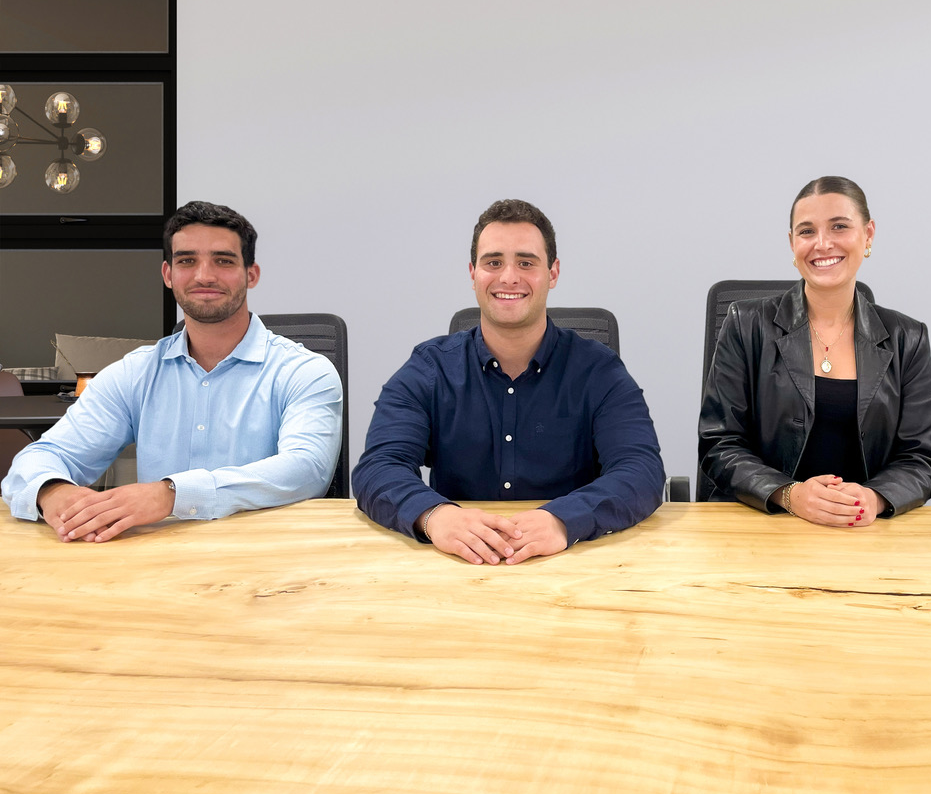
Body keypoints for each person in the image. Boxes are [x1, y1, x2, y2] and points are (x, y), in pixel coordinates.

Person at [2, 201, 344, 543]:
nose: (204, 275)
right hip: (160, 561)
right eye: (187, 261)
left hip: (272, 561)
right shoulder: (135, 373)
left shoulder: (306, 372)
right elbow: (43, 457)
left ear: (250, 274)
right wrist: (53, 491)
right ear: (168, 274)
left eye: (223, 261)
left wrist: (172, 494)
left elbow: (307, 470)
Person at [352, 199, 664, 565]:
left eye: (527, 262)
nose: (509, 277)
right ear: (473, 273)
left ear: (554, 272)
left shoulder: (599, 371)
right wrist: (435, 516)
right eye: (493, 262)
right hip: (456, 563)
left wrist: (564, 520)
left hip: (572, 560)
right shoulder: (430, 368)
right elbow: (378, 466)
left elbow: (640, 471)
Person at [699, 176, 931, 525]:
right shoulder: (746, 324)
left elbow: (921, 458)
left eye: (839, 226)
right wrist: (788, 493)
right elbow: (719, 444)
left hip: (865, 530)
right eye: (807, 231)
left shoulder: (907, 337)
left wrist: (873, 498)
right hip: (763, 528)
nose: (822, 244)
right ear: (792, 243)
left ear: (868, 235)